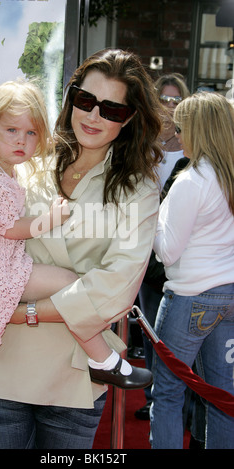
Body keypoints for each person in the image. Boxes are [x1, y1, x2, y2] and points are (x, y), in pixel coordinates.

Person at [0, 48, 162, 449]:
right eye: (85, 101)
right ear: (71, 98)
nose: (93, 116)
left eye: (111, 110)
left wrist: (21, 314)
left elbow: (117, 288)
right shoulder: (26, 156)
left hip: (72, 378)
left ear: (130, 118)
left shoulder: (138, 187)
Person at [0, 80, 142, 387]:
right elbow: (9, 230)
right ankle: (105, 360)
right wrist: (50, 219)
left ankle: (104, 360)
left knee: (69, 288)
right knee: (71, 285)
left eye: (31, 133)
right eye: (12, 131)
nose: (22, 141)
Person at [150, 91, 234, 449]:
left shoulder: (191, 181)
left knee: (167, 394)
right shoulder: (226, 176)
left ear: (198, 131)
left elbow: (167, 252)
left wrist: (148, 217)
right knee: (222, 396)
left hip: (190, 296)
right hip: (228, 295)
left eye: (181, 128)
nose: (177, 137)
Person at [135, 73, 190, 420]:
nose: (169, 105)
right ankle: (154, 397)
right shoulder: (143, 146)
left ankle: (177, 401)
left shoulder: (192, 150)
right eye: (164, 98)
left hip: (180, 255)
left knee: (178, 336)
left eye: (175, 100)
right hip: (146, 252)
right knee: (150, 328)